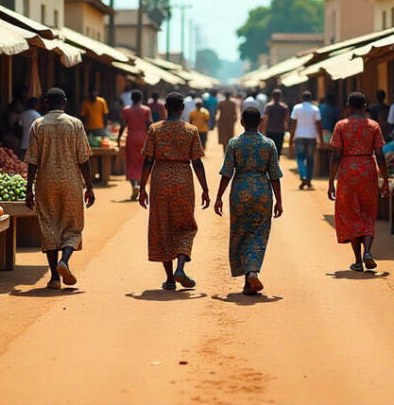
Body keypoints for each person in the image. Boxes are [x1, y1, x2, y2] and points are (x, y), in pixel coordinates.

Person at [138, 92, 210, 290]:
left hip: (160, 179)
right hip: (183, 179)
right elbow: (197, 162)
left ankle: (170, 278)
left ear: (165, 108)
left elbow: (148, 161)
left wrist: (142, 187)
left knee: (163, 225)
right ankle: (180, 267)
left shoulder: (155, 129)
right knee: (185, 224)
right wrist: (205, 188)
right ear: (182, 109)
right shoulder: (191, 131)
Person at [25, 88, 95, 289]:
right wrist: (89, 186)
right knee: (72, 225)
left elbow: (32, 161)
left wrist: (29, 189)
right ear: (64, 102)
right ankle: (64, 260)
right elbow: (84, 158)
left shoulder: (37, 125)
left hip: (45, 182)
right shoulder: (75, 124)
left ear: (46, 103)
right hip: (71, 181)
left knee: (49, 225)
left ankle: (54, 277)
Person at [214, 107, 283, 294]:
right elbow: (274, 175)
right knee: (259, 233)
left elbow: (227, 172)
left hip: (239, 191)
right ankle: (252, 273)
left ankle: (248, 277)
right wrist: (279, 201)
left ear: (242, 122)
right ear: (260, 122)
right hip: (262, 191)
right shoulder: (269, 144)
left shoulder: (234, 144)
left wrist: (219, 197)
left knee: (241, 232)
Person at [327, 93, 389, 271]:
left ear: (348, 107)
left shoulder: (341, 126)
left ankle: (357, 260)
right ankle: (368, 251)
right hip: (368, 170)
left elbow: (336, 156)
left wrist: (331, 181)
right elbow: (380, 156)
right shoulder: (373, 126)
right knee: (368, 212)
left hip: (347, 172)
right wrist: (384, 180)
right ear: (364, 107)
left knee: (352, 212)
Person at [117, 90, 153, 201]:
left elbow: (123, 125)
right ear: (141, 98)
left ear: (131, 98)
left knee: (131, 163)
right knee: (142, 162)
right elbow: (149, 125)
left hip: (131, 137)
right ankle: (140, 186)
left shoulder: (126, 110)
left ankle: (134, 186)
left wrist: (118, 137)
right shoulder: (146, 110)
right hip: (143, 137)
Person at [289, 90, 323, 190]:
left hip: (299, 136)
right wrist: (321, 139)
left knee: (300, 158)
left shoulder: (297, 108)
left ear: (302, 98)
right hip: (311, 137)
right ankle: (308, 180)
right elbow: (318, 125)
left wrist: (291, 138)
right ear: (310, 98)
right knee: (310, 160)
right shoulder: (315, 109)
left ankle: (303, 176)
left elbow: (293, 124)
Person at [2, 85, 29, 152]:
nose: (26, 95)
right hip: (12, 131)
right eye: (25, 93)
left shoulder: (21, 103)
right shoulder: (17, 103)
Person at [262, 90, 289, 156]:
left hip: (270, 131)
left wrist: (263, 130)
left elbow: (265, 119)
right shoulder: (284, 107)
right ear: (280, 97)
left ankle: (271, 164)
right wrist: (285, 129)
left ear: (272, 96)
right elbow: (286, 120)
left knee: (270, 149)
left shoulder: (268, 106)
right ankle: (276, 163)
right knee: (278, 149)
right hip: (280, 131)